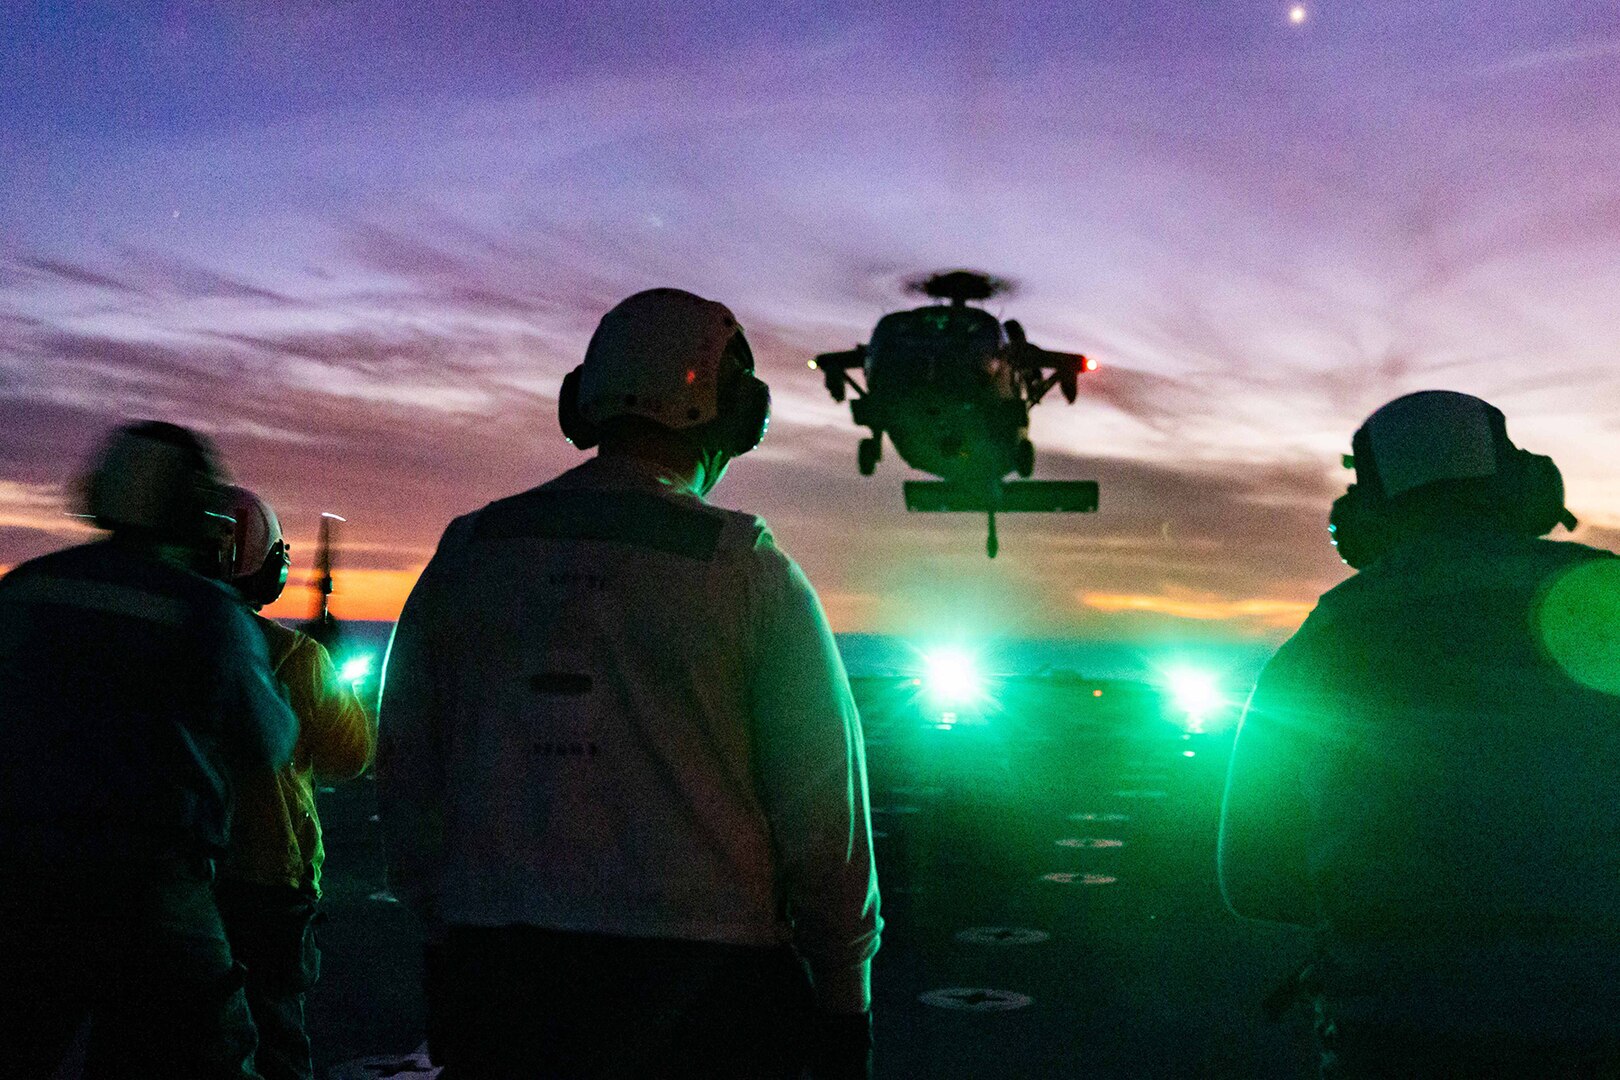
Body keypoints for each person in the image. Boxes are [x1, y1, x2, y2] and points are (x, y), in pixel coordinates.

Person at [378, 287, 881, 1079]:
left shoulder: (468, 554)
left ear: (582, 401)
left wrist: (445, 941)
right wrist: (844, 1001)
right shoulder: (746, 571)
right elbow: (826, 817)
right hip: (704, 996)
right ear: (732, 409)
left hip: (497, 985)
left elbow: (407, 769)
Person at [1219, 390, 1620, 1078]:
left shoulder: (1326, 639)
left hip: (1397, 1039)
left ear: (1365, 519)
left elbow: (1254, 878)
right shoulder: (1603, 597)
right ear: (1525, 487)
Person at [0, 420, 298, 1079]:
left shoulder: (24, 589)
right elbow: (270, 740)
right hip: (152, 887)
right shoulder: (205, 612)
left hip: (22, 875)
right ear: (190, 507)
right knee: (213, 1049)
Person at [215, 485, 376, 1080]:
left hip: (165, 872)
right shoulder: (294, 657)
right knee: (275, 1036)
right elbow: (349, 754)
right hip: (265, 882)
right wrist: (339, 677)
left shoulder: (142, 640)